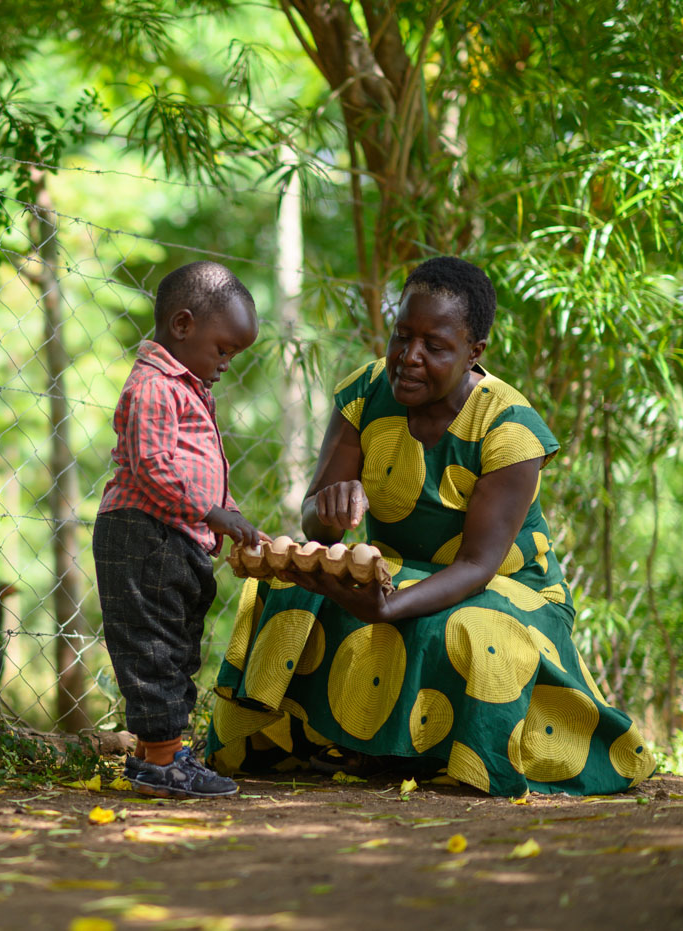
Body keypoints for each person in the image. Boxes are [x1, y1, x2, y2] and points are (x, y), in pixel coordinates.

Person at [205, 256, 657, 796]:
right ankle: (314, 744)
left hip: (506, 593)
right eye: (402, 336)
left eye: (435, 347)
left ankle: (463, 756)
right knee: (286, 584)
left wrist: (387, 605)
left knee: (471, 630)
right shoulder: (365, 392)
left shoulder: (510, 429)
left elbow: (476, 566)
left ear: (474, 353)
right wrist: (326, 508)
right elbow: (316, 526)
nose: (409, 358)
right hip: (396, 573)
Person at [94, 260, 269, 799]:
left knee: (176, 644)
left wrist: (229, 511)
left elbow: (205, 463)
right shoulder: (154, 386)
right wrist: (212, 513)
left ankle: (155, 754)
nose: (225, 365)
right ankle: (165, 762)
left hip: (177, 536)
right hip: (143, 533)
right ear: (183, 325)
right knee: (153, 645)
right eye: (223, 350)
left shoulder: (191, 389)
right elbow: (151, 464)